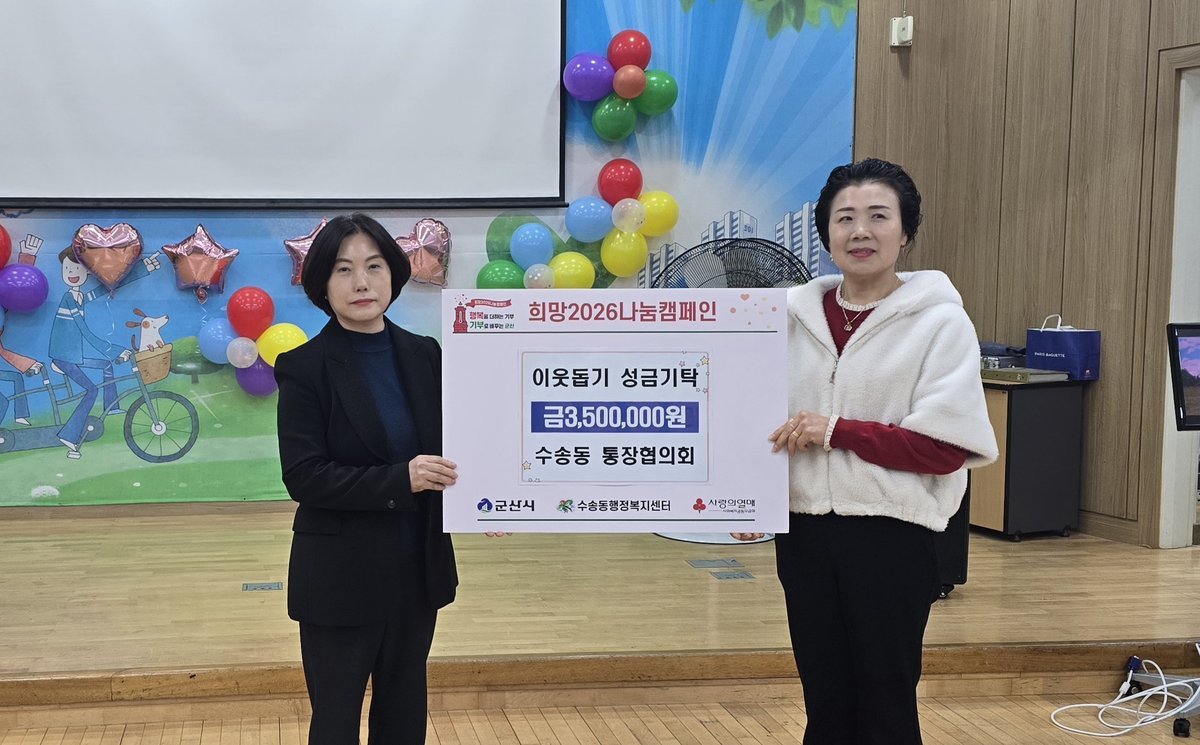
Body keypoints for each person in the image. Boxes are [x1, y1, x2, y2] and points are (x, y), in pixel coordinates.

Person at [734, 158, 998, 745]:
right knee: (824, 701)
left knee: (886, 703)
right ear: (826, 233)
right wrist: (746, 498)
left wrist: (838, 430)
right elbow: (749, 421)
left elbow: (945, 448)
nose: (860, 231)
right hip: (804, 535)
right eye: (845, 218)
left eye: (879, 216)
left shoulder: (941, 323)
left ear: (906, 232)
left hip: (893, 535)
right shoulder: (784, 319)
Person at [274, 213, 459, 744]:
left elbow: (456, 443)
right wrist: (400, 479)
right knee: (335, 723)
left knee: (404, 717)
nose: (361, 282)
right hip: (340, 577)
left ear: (393, 275)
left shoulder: (425, 354)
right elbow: (305, 477)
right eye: (343, 269)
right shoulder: (304, 366)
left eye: (374, 266)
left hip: (415, 569)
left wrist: (490, 497)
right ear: (321, 284)